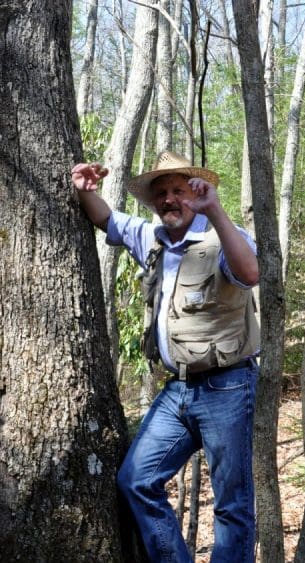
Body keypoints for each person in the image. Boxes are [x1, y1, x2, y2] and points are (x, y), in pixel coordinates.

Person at [71, 151, 260, 563]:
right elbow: (108, 220)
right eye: (162, 193)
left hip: (227, 384)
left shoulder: (222, 236)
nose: (170, 199)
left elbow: (248, 274)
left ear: (196, 194)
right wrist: (86, 191)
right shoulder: (152, 238)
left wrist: (216, 211)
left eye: (179, 190)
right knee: (136, 480)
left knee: (232, 504)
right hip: (178, 390)